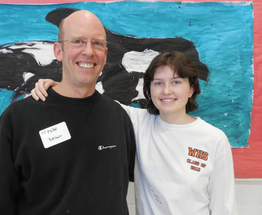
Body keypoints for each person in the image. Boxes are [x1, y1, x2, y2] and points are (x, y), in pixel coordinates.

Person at [32, 51, 238, 214]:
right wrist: (57, 86)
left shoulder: (214, 139)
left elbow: (224, 207)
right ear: (149, 89)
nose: (166, 91)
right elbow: (89, 100)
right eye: (158, 83)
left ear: (191, 89)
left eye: (176, 82)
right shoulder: (137, 122)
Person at [0, 10, 136, 215]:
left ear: (105, 55)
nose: (88, 51)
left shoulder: (118, 117)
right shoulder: (19, 119)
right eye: (78, 41)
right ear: (58, 51)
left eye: (97, 43)